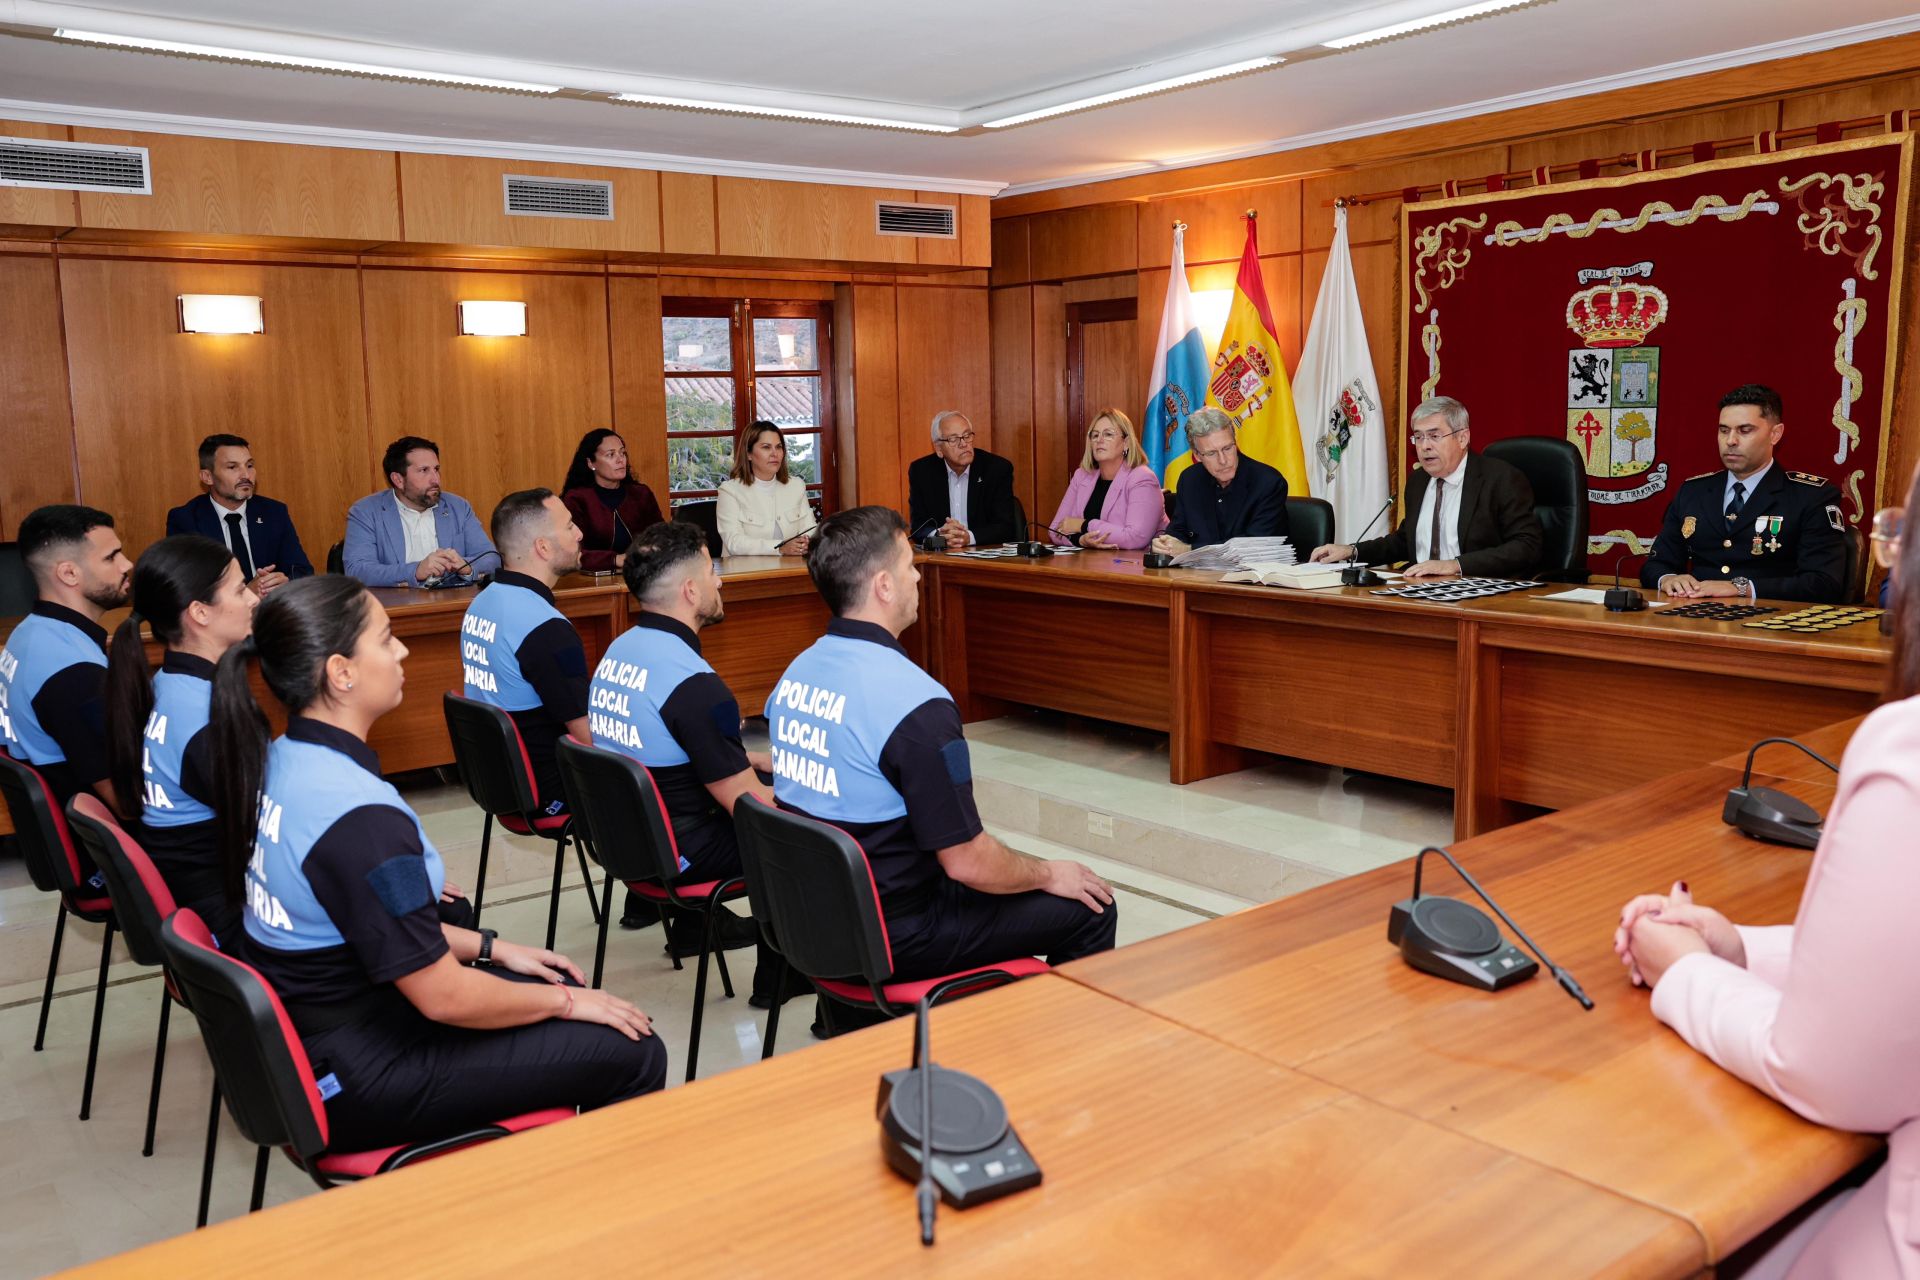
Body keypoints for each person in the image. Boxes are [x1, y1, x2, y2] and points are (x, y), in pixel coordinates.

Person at [208, 576, 664, 1150]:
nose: (401, 652)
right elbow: (442, 997)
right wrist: (570, 1003)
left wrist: (492, 948)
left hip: (326, 1034)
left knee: (538, 985)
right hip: (364, 1069)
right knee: (631, 1048)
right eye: (386, 639)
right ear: (341, 672)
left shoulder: (283, 760)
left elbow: (364, 928)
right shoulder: (357, 817)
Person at [1612, 463, 1919, 1279]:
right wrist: (1740, 944)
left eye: (1900, 537)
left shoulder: (1908, 751)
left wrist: (1685, 973)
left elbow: (1831, 1075)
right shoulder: (1695, 494)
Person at [770, 505, 1118, 984]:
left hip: (814, 921)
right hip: (898, 932)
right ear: (884, 587)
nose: (917, 576)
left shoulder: (794, 676)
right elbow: (968, 863)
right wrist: (1047, 873)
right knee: (1091, 907)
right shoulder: (916, 705)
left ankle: (850, 1021)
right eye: (908, 565)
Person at [588, 521, 768, 970]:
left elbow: (663, 747)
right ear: (690, 590)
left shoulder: (620, 650)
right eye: (712, 572)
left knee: (770, 774)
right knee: (816, 829)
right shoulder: (696, 687)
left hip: (624, 839)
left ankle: (694, 929)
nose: (720, 580)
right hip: (677, 850)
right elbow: (752, 807)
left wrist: (753, 759)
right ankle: (783, 976)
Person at [104, 537, 256, 946]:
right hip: (229, 914)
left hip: (207, 891)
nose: (254, 600)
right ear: (200, 613)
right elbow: (275, 829)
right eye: (241, 589)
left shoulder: (171, 683)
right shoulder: (203, 718)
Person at [1640, 384, 1847, 602]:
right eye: (1724, 430)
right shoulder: (1693, 492)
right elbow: (1656, 564)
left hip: (1770, 623)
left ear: (1775, 434)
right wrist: (1668, 578)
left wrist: (1741, 588)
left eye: (1744, 430)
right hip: (1695, 617)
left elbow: (1824, 583)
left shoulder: (1811, 496)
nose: (1731, 441)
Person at [460, 489, 590, 818]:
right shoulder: (545, 629)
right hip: (548, 788)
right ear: (543, 547)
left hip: (497, 781)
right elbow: (589, 737)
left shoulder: (482, 603)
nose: (579, 533)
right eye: (570, 525)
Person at [1308, 396, 1541, 578]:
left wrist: (1454, 565)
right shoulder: (1419, 481)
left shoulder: (1500, 479)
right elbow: (1405, 541)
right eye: (1418, 437)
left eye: (1434, 436)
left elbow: (1527, 546)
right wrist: (1352, 551)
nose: (1425, 446)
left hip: (1479, 591)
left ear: (1462, 438)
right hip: (1421, 588)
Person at [0, 505, 132, 813]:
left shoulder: (26, 635)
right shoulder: (75, 675)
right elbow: (127, 805)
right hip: (100, 843)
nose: (127, 564)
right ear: (69, 573)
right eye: (111, 556)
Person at [164, 433, 313, 594]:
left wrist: (285, 582)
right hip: (218, 617)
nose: (246, 475)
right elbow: (183, 588)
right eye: (232, 467)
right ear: (207, 477)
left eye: (249, 466)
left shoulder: (273, 512)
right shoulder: (186, 520)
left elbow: (302, 571)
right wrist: (245, 594)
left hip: (269, 613)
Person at [343, 436, 496, 588]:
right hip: (398, 608)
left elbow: (491, 558)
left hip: (453, 604)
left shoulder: (458, 507)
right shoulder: (366, 512)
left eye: (436, 469)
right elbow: (357, 570)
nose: (435, 479)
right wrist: (415, 571)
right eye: (424, 470)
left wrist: (466, 566)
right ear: (398, 480)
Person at [1151, 406, 1289, 556]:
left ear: (1235, 443)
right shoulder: (1189, 480)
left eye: (1227, 448)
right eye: (1211, 453)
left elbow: (1255, 547)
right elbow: (1179, 531)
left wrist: (1190, 550)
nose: (1223, 460)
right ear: (1197, 455)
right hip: (1196, 577)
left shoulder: (1268, 482)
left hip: (1254, 575)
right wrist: (1165, 543)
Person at [1046, 409, 1167, 549]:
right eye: (1095, 435)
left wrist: (1084, 525)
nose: (1099, 440)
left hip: (1137, 566)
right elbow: (1054, 530)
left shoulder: (1142, 478)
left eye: (1108, 434)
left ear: (1126, 443)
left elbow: (1134, 538)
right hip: (1089, 563)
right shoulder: (1082, 476)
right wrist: (1080, 540)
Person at [906, 411, 1022, 548]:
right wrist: (940, 535)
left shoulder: (996, 469)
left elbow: (1005, 527)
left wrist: (968, 538)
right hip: (942, 558)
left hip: (984, 558)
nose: (963, 444)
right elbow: (919, 526)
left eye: (967, 436)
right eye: (953, 439)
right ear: (938, 448)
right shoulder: (922, 471)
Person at [560, 429, 665, 573]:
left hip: (643, 576)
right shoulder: (577, 499)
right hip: (590, 582)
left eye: (622, 453)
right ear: (591, 463)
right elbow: (572, 552)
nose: (620, 459)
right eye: (611, 455)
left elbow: (662, 537)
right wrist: (616, 559)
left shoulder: (641, 494)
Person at [716, 421, 814, 557]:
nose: (775, 454)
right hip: (746, 573)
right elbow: (734, 543)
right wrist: (780, 548)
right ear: (749, 454)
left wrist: (806, 542)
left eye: (779, 447)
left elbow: (810, 529)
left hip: (792, 568)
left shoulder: (796, 486)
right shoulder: (730, 491)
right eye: (766, 447)